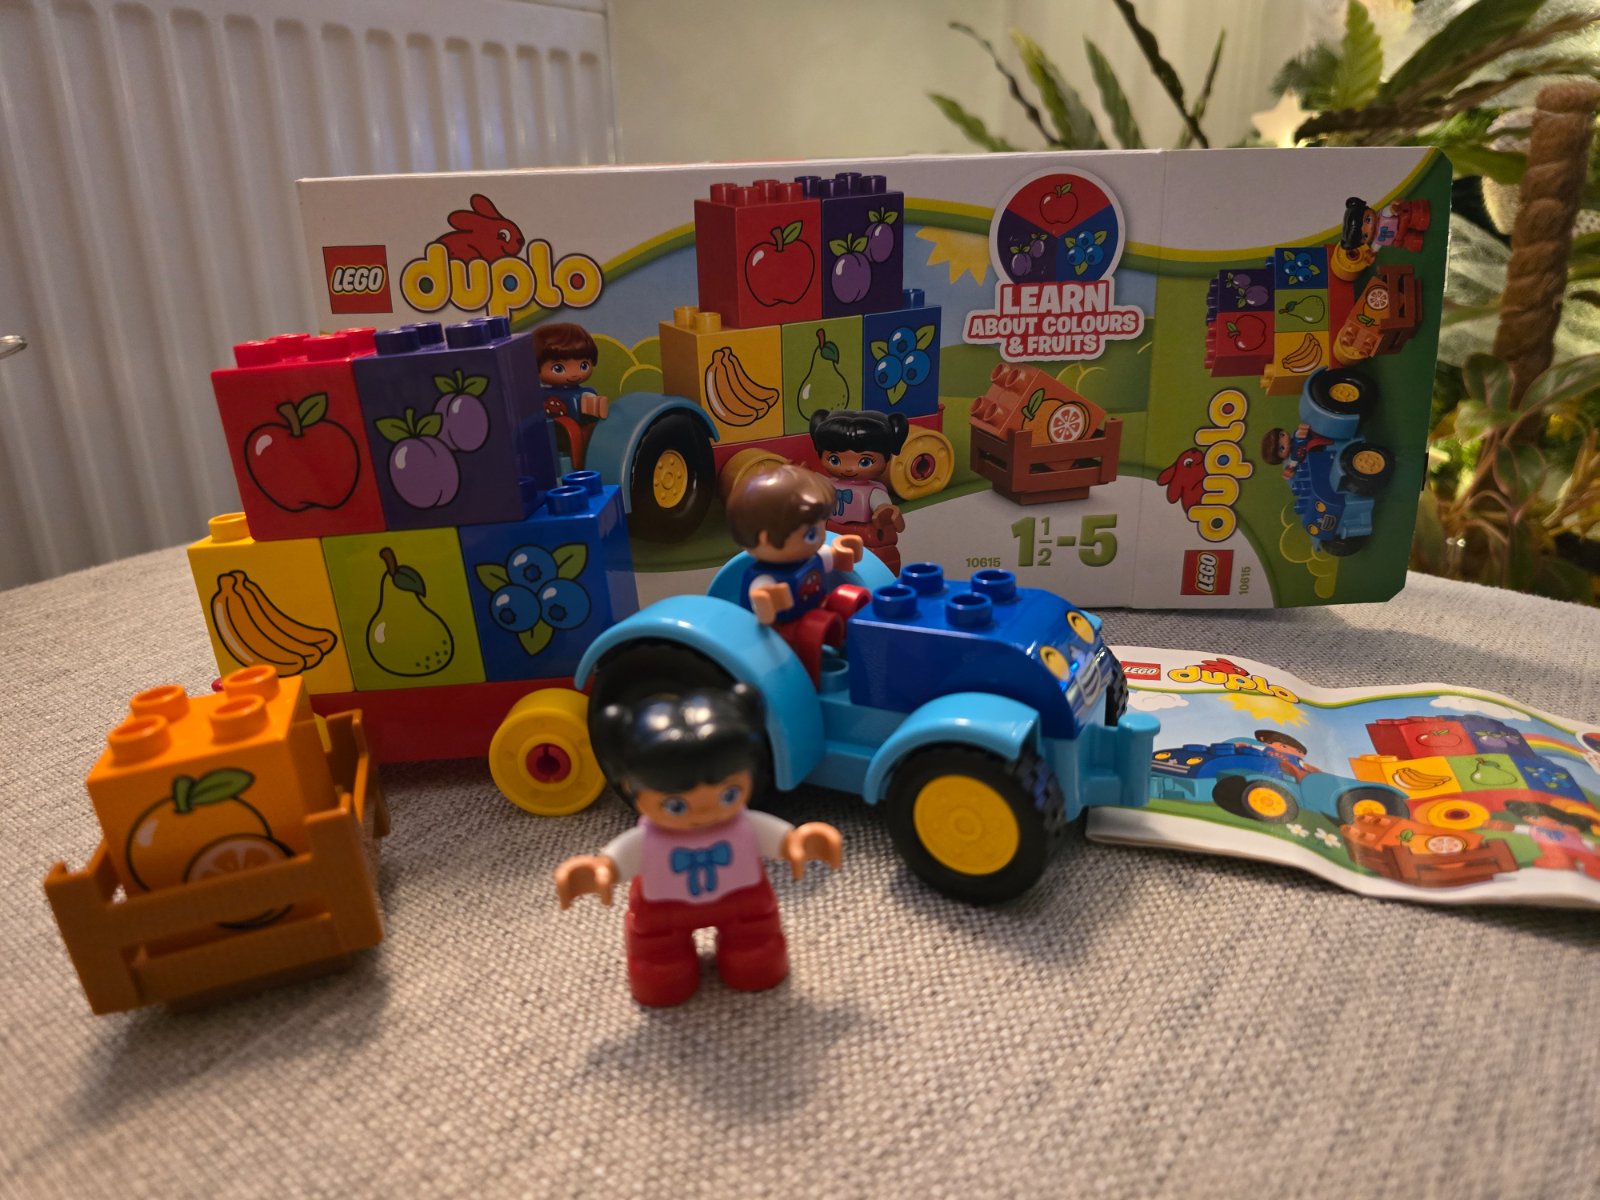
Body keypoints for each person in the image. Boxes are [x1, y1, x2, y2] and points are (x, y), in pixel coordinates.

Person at [554, 685, 843, 1007]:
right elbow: (621, 857)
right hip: (663, 909)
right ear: (629, 787)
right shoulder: (649, 839)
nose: (705, 813)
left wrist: (796, 842)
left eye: (729, 794)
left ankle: (751, 956)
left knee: (756, 949)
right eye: (676, 805)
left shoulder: (743, 825)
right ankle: (662, 968)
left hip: (742, 898)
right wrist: (602, 869)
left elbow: (778, 838)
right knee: (660, 963)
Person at [726, 462, 868, 684]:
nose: (821, 537)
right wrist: (768, 601)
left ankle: (853, 644)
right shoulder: (765, 578)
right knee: (814, 632)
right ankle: (807, 679)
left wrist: (842, 553)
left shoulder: (811, 558)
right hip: (785, 630)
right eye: (811, 533)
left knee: (847, 602)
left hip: (817, 610)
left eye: (822, 526)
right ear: (764, 538)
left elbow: (830, 557)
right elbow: (761, 608)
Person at [809, 410, 908, 575]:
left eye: (864, 461)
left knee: (867, 571)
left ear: (886, 458)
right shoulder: (830, 483)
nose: (849, 468)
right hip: (831, 532)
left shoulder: (872, 491)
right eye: (835, 459)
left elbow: (882, 504)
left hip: (865, 538)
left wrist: (885, 511)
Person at [533, 322, 609, 420]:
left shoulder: (584, 393)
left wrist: (592, 404)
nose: (574, 374)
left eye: (583, 365)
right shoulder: (542, 394)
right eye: (558, 368)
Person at [1261, 424, 1332, 480]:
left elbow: (1301, 432)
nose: (1285, 441)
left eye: (1282, 435)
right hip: (1313, 457)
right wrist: (1289, 471)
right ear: (1281, 459)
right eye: (1282, 448)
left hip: (1317, 441)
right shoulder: (1293, 459)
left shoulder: (1296, 436)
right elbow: (1292, 465)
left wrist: (1302, 431)